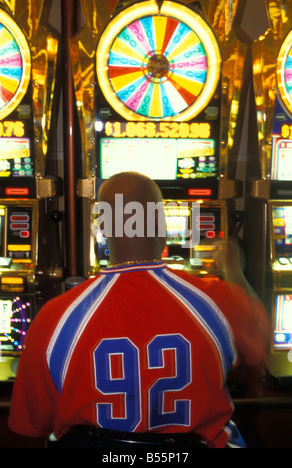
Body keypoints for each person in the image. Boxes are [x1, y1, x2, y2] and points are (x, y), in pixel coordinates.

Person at [8, 171, 269, 448]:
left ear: (102, 228)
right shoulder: (218, 299)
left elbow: (29, 427)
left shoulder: (54, 317)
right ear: (162, 224)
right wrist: (234, 270)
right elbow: (258, 357)